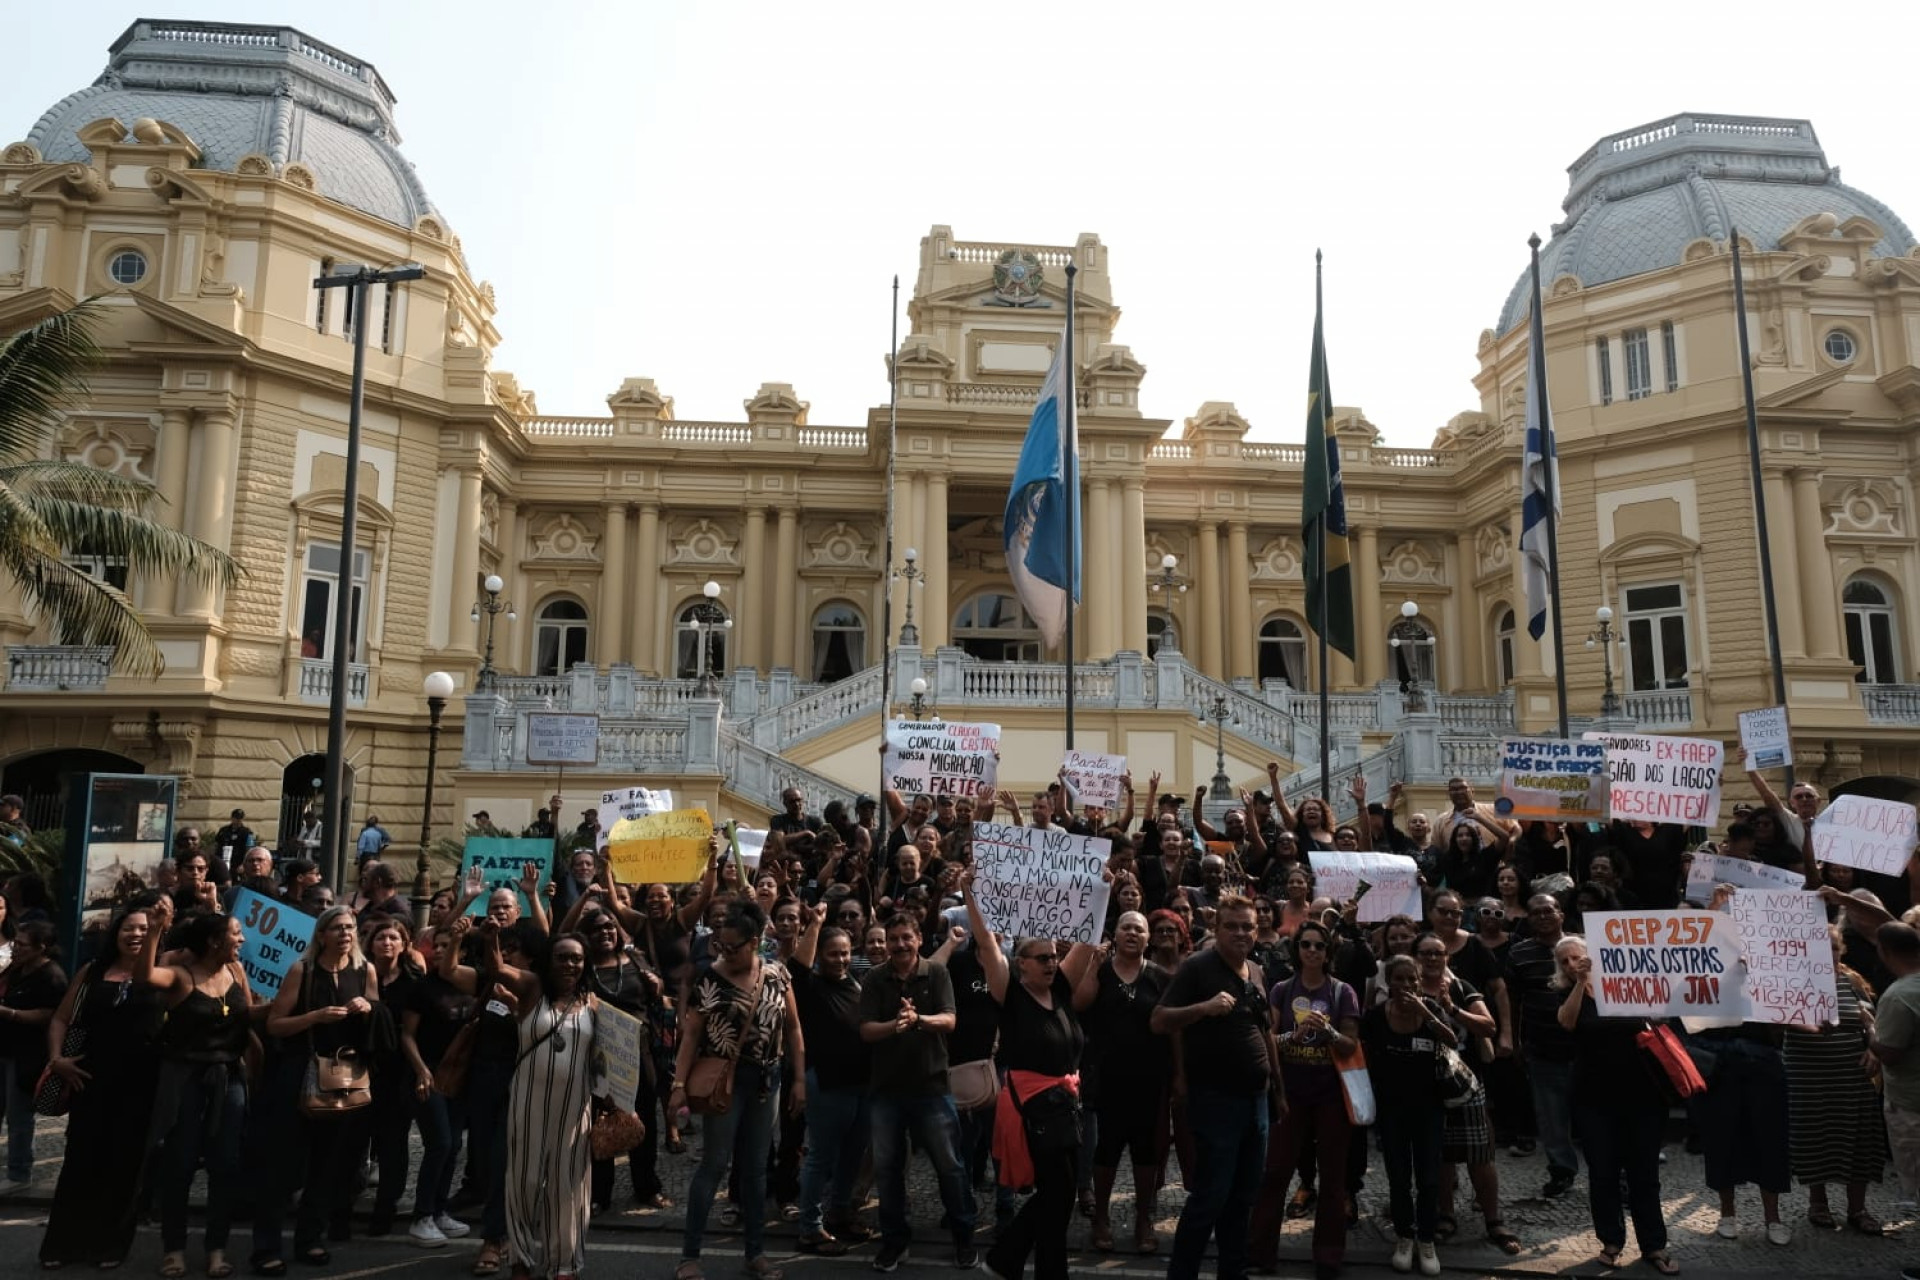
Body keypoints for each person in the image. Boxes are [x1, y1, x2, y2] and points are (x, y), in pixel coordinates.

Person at [959, 872, 1100, 1280]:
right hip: (1033, 1109)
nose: (1052, 962)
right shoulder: (1010, 993)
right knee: (1057, 1192)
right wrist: (971, 893)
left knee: (1060, 1195)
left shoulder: (1061, 990)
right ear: (1021, 964)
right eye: (1042, 958)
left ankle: (1012, 1262)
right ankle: (1017, 1262)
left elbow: (1087, 941)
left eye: (1054, 955)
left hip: (1064, 1105)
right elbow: (986, 944)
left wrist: (1101, 890)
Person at [1153, 895, 1284, 1280]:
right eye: (1233, 926)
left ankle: (1233, 1270)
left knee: (1244, 1195)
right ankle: (1182, 1273)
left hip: (1256, 1102)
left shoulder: (1256, 971)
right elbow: (1159, 1021)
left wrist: (1278, 1090)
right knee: (1211, 1196)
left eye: (1248, 926)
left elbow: (1266, 1032)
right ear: (1217, 929)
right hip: (1215, 1101)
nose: (1242, 933)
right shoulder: (1197, 968)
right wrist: (1203, 1009)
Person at [674, 899, 805, 1280]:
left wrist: (798, 1079)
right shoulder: (710, 979)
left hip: (768, 1080)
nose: (724, 951)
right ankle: (689, 1256)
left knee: (755, 1171)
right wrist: (679, 1086)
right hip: (724, 1083)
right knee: (714, 1165)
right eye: (720, 944)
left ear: (754, 941)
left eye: (733, 946)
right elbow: (691, 1036)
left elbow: (794, 1028)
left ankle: (755, 1253)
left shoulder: (779, 974)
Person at [38, 901, 167, 1266]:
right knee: (80, 1161)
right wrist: (56, 1059)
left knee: (124, 1166)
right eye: (129, 928)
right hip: (88, 1080)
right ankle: (61, 1245)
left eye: (145, 929)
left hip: (141, 1082)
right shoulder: (92, 972)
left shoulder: (164, 973)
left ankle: (109, 1245)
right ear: (116, 934)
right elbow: (61, 1019)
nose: (136, 934)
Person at [134, 898, 252, 1280]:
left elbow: (250, 1015)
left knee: (225, 1166)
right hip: (186, 1082)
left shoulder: (236, 969)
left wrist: (303, 1010)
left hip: (229, 1080)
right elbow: (144, 977)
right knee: (180, 1164)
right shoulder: (181, 976)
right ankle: (174, 1248)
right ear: (215, 941)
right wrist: (154, 930)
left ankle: (217, 1248)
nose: (242, 939)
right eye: (236, 934)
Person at [857, 910, 978, 1273]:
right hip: (886, 1091)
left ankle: (964, 1237)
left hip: (932, 1089)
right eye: (893, 939)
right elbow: (866, 1031)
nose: (898, 945)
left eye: (905, 938)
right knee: (889, 1170)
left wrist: (919, 1021)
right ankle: (894, 1241)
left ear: (919, 940)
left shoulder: (937, 973)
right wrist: (896, 1025)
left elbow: (950, 1020)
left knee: (950, 1167)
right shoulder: (875, 979)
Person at [1554, 934, 1678, 1273]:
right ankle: (1611, 1241)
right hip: (1594, 1099)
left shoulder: (1628, 982)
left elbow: (1663, 1011)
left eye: (1574, 956)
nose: (1570, 963)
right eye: (1563, 961)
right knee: (1603, 1174)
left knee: (1645, 1174)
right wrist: (1580, 982)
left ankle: (1654, 1245)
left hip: (1643, 1096)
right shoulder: (1569, 992)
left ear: (1590, 954)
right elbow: (1566, 1022)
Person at [1247, 920, 1361, 1278]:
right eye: (1306, 945)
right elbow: (1271, 1040)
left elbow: (1350, 1044)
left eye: (1319, 946)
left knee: (1332, 1178)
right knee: (1275, 1172)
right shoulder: (1281, 989)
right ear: (1297, 950)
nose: (1312, 951)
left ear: (1329, 953)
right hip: (1290, 1094)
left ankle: (1328, 1257)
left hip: (1330, 1096)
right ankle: (1259, 1253)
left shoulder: (1343, 993)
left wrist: (1327, 1032)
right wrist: (1292, 1037)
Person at [496, 930, 610, 1280]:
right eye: (562, 957)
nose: (570, 964)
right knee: (523, 1181)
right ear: (548, 961)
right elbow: (498, 969)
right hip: (528, 1105)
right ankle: (521, 1259)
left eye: (576, 958)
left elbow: (606, 1061)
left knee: (570, 1187)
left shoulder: (593, 1004)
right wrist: (491, 940)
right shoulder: (532, 993)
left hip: (575, 1110)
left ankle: (564, 1265)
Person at [1074, 910, 1173, 1255]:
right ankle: (1100, 1217)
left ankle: (1143, 1218)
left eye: (1139, 929)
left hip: (1148, 1080)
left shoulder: (1160, 976)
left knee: (1146, 1153)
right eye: (1126, 927)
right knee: (1107, 1151)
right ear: (1115, 934)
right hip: (1107, 1079)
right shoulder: (1101, 971)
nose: (1132, 933)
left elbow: (1171, 1028)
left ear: (1148, 939)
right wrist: (1091, 966)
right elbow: (1079, 1003)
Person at [1787, 920, 1890, 1233]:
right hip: (1809, 1074)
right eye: (1820, 945)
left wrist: (1875, 1050)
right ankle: (1817, 1204)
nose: (1827, 952)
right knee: (1815, 1136)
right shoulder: (1793, 980)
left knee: (1858, 1139)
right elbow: (1777, 1020)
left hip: (1853, 1075)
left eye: (1832, 945)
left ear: (1841, 949)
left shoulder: (1853, 982)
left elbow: (1874, 1024)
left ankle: (1858, 1209)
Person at [1361, 954, 1450, 1275]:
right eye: (1399, 979)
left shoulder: (1431, 1010)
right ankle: (1404, 1236)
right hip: (1391, 1110)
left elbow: (1453, 1040)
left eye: (1412, 979)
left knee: (1428, 1178)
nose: (1407, 985)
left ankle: (1427, 1239)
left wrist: (1426, 1011)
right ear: (1389, 981)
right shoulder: (1374, 1017)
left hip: (1429, 1108)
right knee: (1399, 1178)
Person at [791, 907, 873, 1256]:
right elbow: (796, 966)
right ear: (820, 956)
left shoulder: (855, 982)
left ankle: (839, 1212)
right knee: (821, 1157)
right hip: (827, 1084)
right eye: (832, 954)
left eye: (845, 953)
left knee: (853, 1156)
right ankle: (810, 1227)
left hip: (862, 1085)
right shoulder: (810, 987)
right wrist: (816, 924)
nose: (840, 959)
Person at [1504, 894, 1578, 1198]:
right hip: (1542, 1046)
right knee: (1551, 1117)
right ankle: (1562, 1171)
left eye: (1549, 910)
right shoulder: (1518, 954)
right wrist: (1516, 1041)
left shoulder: (1582, 946)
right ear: (1529, 919)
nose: (1543, 916)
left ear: (1561, 914)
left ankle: (1611, 1172)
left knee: (1596, 1115)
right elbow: (1512, 1001)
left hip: (1586, 1048)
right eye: (1536, 913)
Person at [1867, 923, 1920, 1280]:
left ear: (1884, 953)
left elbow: (1888, 1052)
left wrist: (1868, 1026)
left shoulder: (1898, 996)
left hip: (1912, 1107)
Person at [1, 920, 67, 1192]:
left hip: (27, 1056)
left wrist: (9, 1014)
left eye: (23, 944)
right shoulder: (18, 969)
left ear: (42, 948)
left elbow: (51, 1015)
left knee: (19, 1117)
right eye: (16, 941)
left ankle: (19, 1174)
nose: (16, 947)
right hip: (4, 1050)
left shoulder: (51, 976)